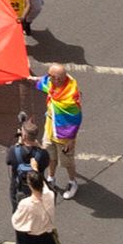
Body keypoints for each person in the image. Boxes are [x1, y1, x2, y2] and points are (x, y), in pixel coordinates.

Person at [38, 63, 83, 196]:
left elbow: (76, 120)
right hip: (50, 129)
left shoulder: (70, 98)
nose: (47, 78)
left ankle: (72, 182)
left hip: (64, 136)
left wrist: (71, 140)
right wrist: (30, 79)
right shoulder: (53, 85)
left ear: (58, 79)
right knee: (50, 157)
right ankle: (51, 178)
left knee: (67, 162)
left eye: (50, 76)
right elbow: (43, 83)